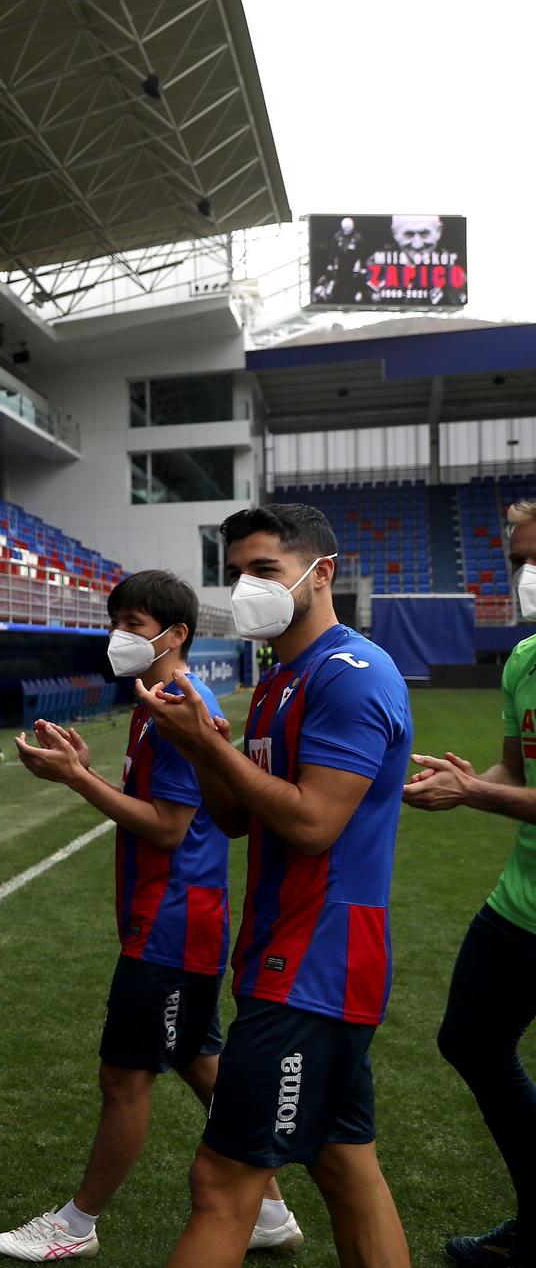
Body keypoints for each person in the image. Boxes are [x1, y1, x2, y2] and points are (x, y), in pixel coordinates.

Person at [0, 569, 299, 1261]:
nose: (119, 635)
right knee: (195, 1057)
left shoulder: (180, 701)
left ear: (176, 633)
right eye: (117, 620)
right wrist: (87, 768)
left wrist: (78, 780)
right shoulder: (154, 700)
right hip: (171, 916)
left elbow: (167, 825)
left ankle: (77, 1222)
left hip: (172, 923)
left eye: (134, 622)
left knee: (124, 1078)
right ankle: (271, 1208)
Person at [144, 504, 411, 1268]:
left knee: (222, 1182)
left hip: (317, 959)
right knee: (343, 1164)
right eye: (237, 572)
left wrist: (207, 747)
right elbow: (235, 818)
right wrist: (198, 746)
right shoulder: (277, 680)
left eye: (264, 569)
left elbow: (312, 823)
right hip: (285, 951)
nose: (245, 587)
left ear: (319, 572)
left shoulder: (352, 674)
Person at [406, 498, 536, 1268]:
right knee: (471, 1038)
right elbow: (514, 770)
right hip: (521, 905)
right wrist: (463, 781)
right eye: (521, 560)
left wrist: (478, 795)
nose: (527, 574)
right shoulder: (524, 660)